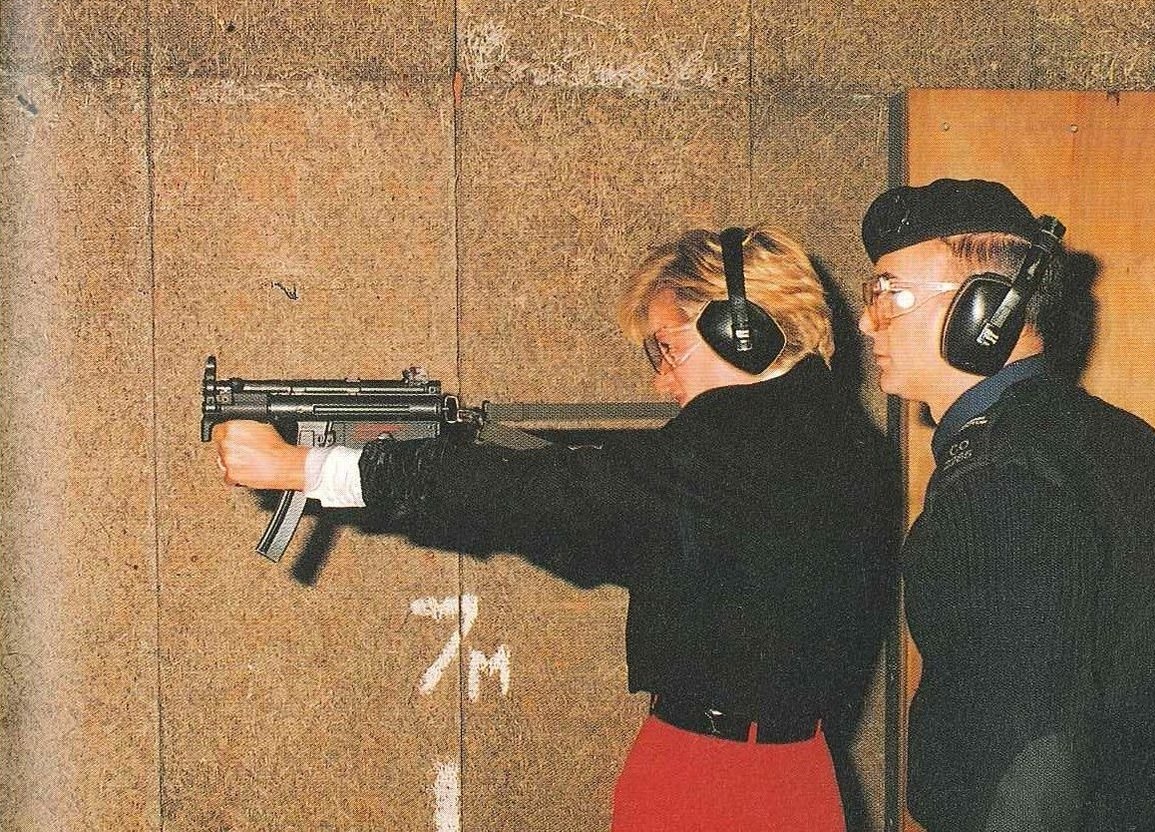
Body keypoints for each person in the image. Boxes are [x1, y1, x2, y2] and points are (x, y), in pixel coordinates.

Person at [216, 225, 896, 831]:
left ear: (737, 330)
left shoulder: (727, 450)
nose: (662, 381)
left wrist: (306, 467)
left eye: (668, 348)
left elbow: (539, 495)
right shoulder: (839, 444)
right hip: (800, 771)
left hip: (711, 776)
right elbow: (602, 497)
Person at [858, 178, 1155, 831]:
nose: (866, 320)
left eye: (890, 295)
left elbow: (1032, 749)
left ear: (985, 313)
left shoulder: (996, 480)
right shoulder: (1117, 435)